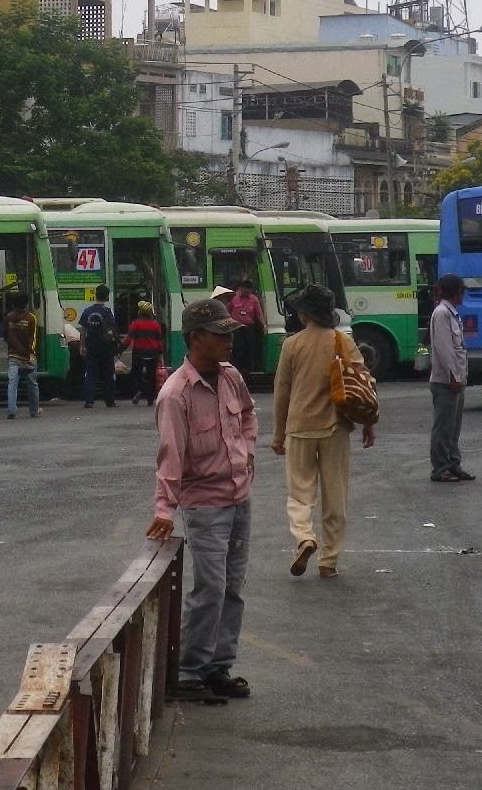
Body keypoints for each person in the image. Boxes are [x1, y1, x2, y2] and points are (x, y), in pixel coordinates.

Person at [146, 298, 256, 700]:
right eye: (220, 335)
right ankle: (189, 671)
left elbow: (248, 415)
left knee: (233, 588)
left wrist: (248, 451)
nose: (229, 341)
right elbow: (170, 458)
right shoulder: (175, 395)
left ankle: (218, 666)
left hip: (239, 498)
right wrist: (164, 511)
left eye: (229, 334)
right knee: (210, 587)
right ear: (195, 338)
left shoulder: (231, 377)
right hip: (206, 505)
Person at [270, 285, 375, 579]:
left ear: (304, 314)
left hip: (299, 426)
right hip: (335, 427)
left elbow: (281, 392)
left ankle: (304, 537)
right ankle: (328, 560)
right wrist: (368, 422)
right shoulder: (342, 341)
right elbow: (363, 384)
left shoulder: (292, 345)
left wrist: (278, 435)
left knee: (300, 493)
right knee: (335, 495)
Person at [427, 273, 472, 482]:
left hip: (456, 379)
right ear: (457, 292)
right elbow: (444, 349)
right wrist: (454, 376)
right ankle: (440, 468)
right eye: (462, 291)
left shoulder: (452, 313)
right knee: (444, 428)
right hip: (446, 381)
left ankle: (453, 464)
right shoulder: (442, 314)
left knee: (453, 428)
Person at [78, 285, 120, 409]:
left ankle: (89, 401)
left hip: (91, 346)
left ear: (95, 295)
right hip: (106, 347)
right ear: (106, 296)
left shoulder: (87, 311)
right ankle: (110, 401)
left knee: (90, 374)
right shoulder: (107, 312)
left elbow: (83, 331)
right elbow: (112, 330)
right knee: (108, 374)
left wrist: (82, 346)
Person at [3, 292, 42, 419]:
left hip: (13, 356)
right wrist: (31, 354)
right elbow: (33, 339)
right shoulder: (31, 318)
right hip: (28, 357)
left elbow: (5, 336)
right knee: (32, 384)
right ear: (26, 303)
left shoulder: (8, 317)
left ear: (13, 304)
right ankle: (34, 411)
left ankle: (11, 410)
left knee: (12, 384)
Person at [125, 300, 165, 405]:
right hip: (153, 353)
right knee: (151, 376)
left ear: (140, 312)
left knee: (136, 374)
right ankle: (150, 399)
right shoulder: (155, 325)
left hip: (139, 353)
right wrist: (161, 356)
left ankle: (140, 389)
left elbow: (128, 340)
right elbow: (159, 341)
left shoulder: (135, 324)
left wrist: (120, 349)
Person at [227, 279, 264, 375]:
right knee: (237, 348)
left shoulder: (253, 299)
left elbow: (259, 314)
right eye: (246, 290)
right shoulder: (233, 298)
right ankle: (235, 369)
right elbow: (227, 311)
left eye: (249, 290)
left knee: (249, 348)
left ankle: (248, 370)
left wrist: (263, 325)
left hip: (248, 328)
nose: (248, 293)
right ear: (241, 288)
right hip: (236, 328)